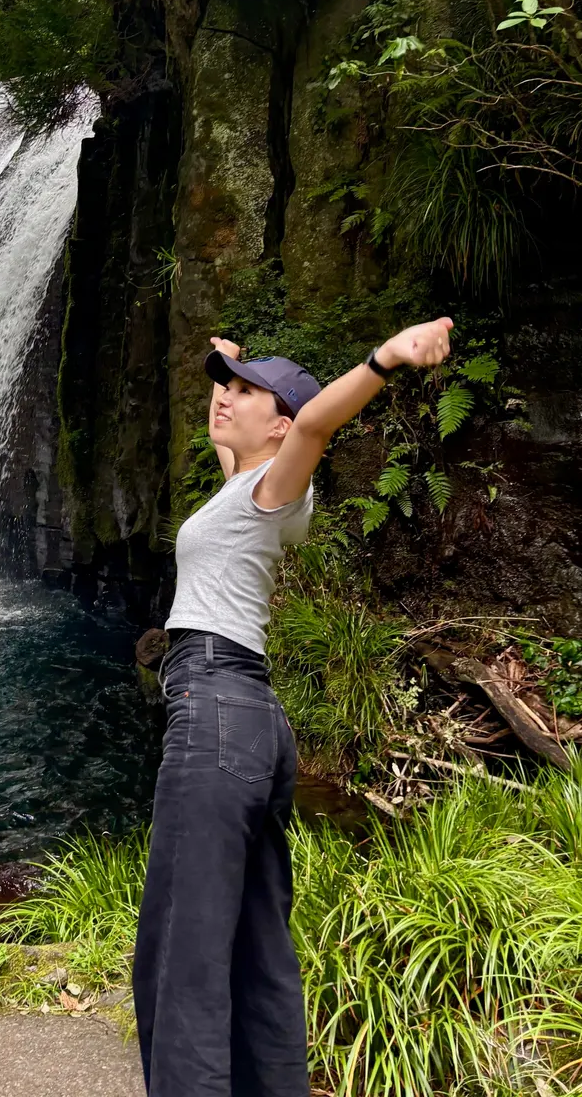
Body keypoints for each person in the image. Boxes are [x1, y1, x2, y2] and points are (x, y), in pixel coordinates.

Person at [132, 316, 454, 1097]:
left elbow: (313, 421)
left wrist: (387, 358)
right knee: (255, 944)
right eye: (226, 393)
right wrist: (226, 366)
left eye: (245, 397)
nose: (225, 402)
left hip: (213, 709)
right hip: (247, 720)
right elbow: (232, 433)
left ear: (278, 424)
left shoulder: (283, 482)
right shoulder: (244, 488)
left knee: (183, 950)